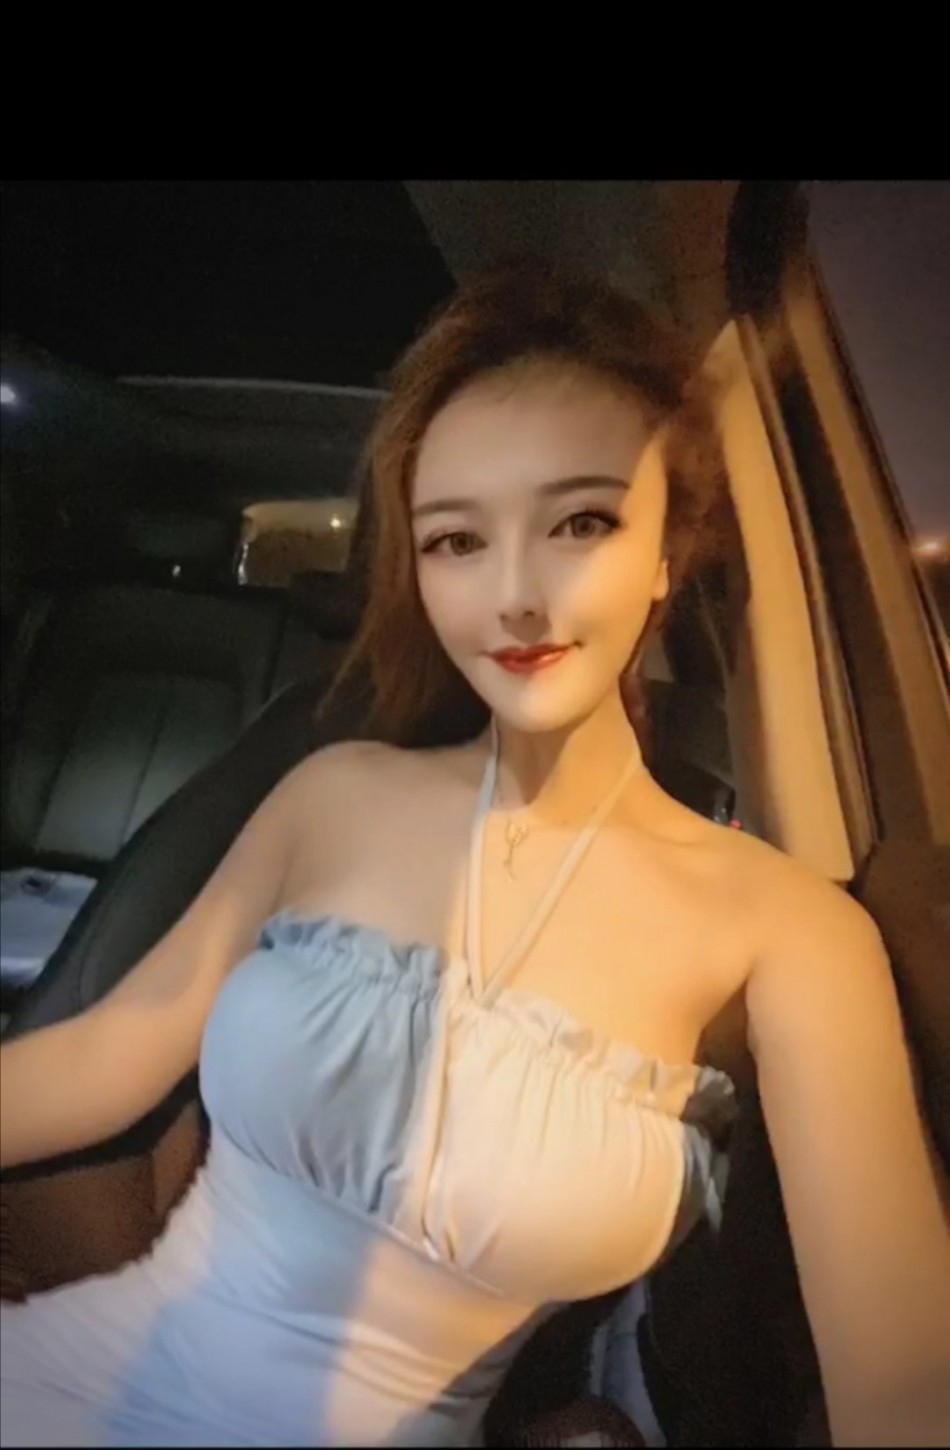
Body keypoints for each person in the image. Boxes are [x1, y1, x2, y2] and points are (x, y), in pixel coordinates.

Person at [1, 262, 948, 1448]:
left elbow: (903, 1387)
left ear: (667, 550)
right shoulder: (334, 790)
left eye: (580, 522)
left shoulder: (787, 929)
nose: (512, 596)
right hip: (72, 1377)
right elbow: (107, 1054)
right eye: (456, 540)